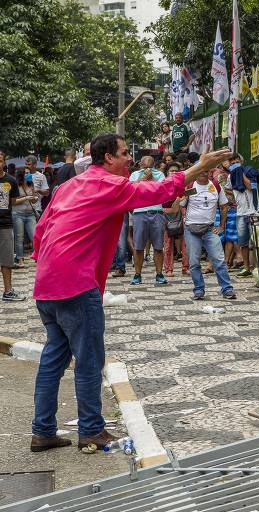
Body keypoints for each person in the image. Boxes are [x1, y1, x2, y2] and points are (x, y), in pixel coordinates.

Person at [29, 135, 230, 452]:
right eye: (125, 154)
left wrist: (48, 265)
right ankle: (92, 430)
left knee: (53, 358)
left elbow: (41, 230)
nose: (130, 160)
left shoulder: (68, 187)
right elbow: (156, 190)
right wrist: (200, 167)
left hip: (47, 283)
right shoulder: (109, 185)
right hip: (76, 284)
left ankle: (42, 431)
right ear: (108, 157)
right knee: (89, 361)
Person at [180, 167, 236, 300]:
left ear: (209, 173)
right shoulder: (191, 186)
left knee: (219, 260)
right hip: (191, 230)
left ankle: (227, 289)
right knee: (194, 262)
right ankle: (199, 289)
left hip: (210, 229)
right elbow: (181, 203)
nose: (203, 173)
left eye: (206, 170)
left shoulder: (215, 186)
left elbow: (224, 206)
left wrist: (221, 226)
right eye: (200, 170)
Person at [129, 156, 168, 285]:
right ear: (140, 164)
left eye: (150, 166)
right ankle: (137, 274)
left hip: (157, 212)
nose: (147, 168)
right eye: (145, 166)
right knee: (138, 246)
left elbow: (161, 190)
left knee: (158, 246)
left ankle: (159, 274)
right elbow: (131, 190)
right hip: (139, 213)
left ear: (154, 165)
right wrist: (143, 179)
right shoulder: (134, 174)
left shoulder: (160, 174)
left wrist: (151, 178)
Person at [0, 152, 25, 301]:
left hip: (4, 224)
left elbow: (13, 201)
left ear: (4, 162)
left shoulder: (11, 180)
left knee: (7, 259)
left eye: (0, 160)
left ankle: (8, 291)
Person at [228, 154, 256, 277]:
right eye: (232, 162)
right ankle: (246, 267)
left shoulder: (249, 171)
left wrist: (241, 173)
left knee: (256, 242)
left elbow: (251, 186)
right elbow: (227, 189)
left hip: (253, 212)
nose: (235, 163)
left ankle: (257, 267)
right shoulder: (230, 176)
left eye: (236, 161)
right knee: (243, 243)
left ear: (241, 160)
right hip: (240, 213)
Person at [162, 161, 189, 277]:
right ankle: (168, 269)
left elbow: (186, 199)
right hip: (166, 215)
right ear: (166, 172)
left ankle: (186, 267)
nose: (173, 172)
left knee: (185, 243)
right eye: (171, 171)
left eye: (176, 171)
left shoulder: (184, 184)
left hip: (182, 213)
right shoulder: (162, 184)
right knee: (168, 244)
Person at [12, 167, 40, 268]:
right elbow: (13, 202)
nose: (29, 175)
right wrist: (26, 198)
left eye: (29, 173)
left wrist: (34, 198)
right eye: (27, 173)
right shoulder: (15, 185)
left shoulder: (30, 184)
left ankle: (38, 257)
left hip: (30, 214)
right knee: (19, 237)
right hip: (17, 214)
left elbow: (33, 200)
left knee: (35, 235)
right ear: (21, 174)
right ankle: (20, 259)